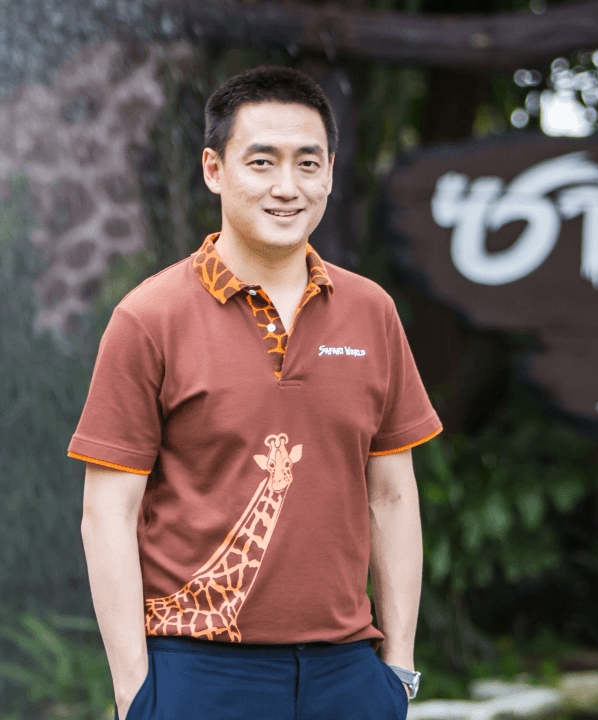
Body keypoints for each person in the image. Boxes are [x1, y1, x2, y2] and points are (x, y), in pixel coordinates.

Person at [71, 66, 440, 720]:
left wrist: (398, 670)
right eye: (262, 161)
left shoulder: (372, 312)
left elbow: (391, 494)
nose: (286, 187)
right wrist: (136, 693)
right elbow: (108, 512)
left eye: (307, 163)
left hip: (349, 674)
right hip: (197, 670)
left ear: (330, 172)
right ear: (214, 169)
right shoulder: (149, 318)